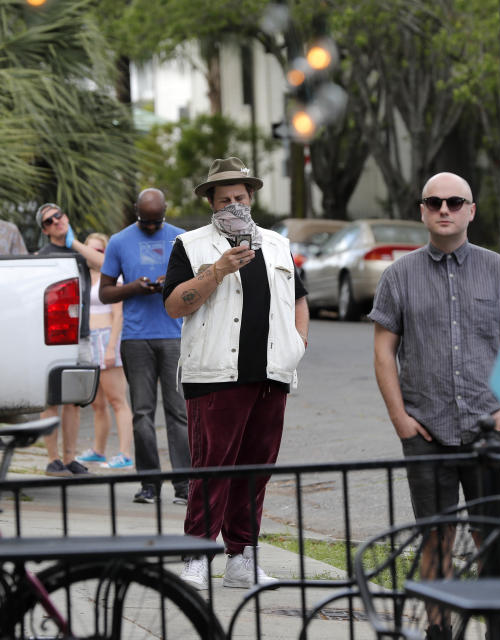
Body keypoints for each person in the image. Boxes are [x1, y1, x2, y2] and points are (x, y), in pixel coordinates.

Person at [164, 157, 309, 590]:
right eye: (224, 199)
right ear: (211, 202)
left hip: (270, 373)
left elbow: (298, 298)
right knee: (212, 469)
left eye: (240, 197)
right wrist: (219, 270)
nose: (234, 205)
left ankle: (241, 556)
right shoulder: (190, 246)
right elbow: (175, 305)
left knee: (255, 470)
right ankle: (197, 555)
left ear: (251, 198)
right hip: (213, 374)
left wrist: (298, 343)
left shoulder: (278, 245)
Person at [369, 171, 500, 520]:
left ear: (471, 211)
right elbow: (383, 353)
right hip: (426, 432)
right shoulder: (398, 275)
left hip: (491, 429)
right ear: (422, 211)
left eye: (454, 202)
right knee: (435, 540)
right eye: (434, 202)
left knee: (495, 539)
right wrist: (401, 420)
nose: (444, 210)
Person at [99, 189, 190, 504]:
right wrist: (133, 288)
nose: (151, 227)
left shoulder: (181, 239)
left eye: (157, 221)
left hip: (175, 334)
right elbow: (105, 292)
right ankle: (149, 483)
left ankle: (184, 485)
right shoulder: (119, 241)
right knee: (142, 413)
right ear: (135, 211)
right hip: (136, 337)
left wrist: (172, 285)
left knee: (179, 412)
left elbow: (198, 283)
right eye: (144, 222)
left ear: (166, 210)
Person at [35, 203, 104, 477]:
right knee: (50, 399)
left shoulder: (79, 251)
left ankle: (70, 457)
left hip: (81, 335)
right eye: (49, 221)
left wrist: (73, 241)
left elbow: (103, 264)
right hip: (51, 338)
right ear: (44, 229)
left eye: (59, 216)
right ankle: (53, 459)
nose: (56, 222)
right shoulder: (42, 256)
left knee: (74, 400)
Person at [76, 232, 135, 469]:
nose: (93, 254)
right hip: (86, 341)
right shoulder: (82, 277)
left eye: (99, 250)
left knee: (117, 400)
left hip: (106, 339)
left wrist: (111, 347)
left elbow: (118, 314)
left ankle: (124, 454)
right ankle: (98, 450)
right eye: (89, 249)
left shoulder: (111, 277)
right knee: (96, 403)